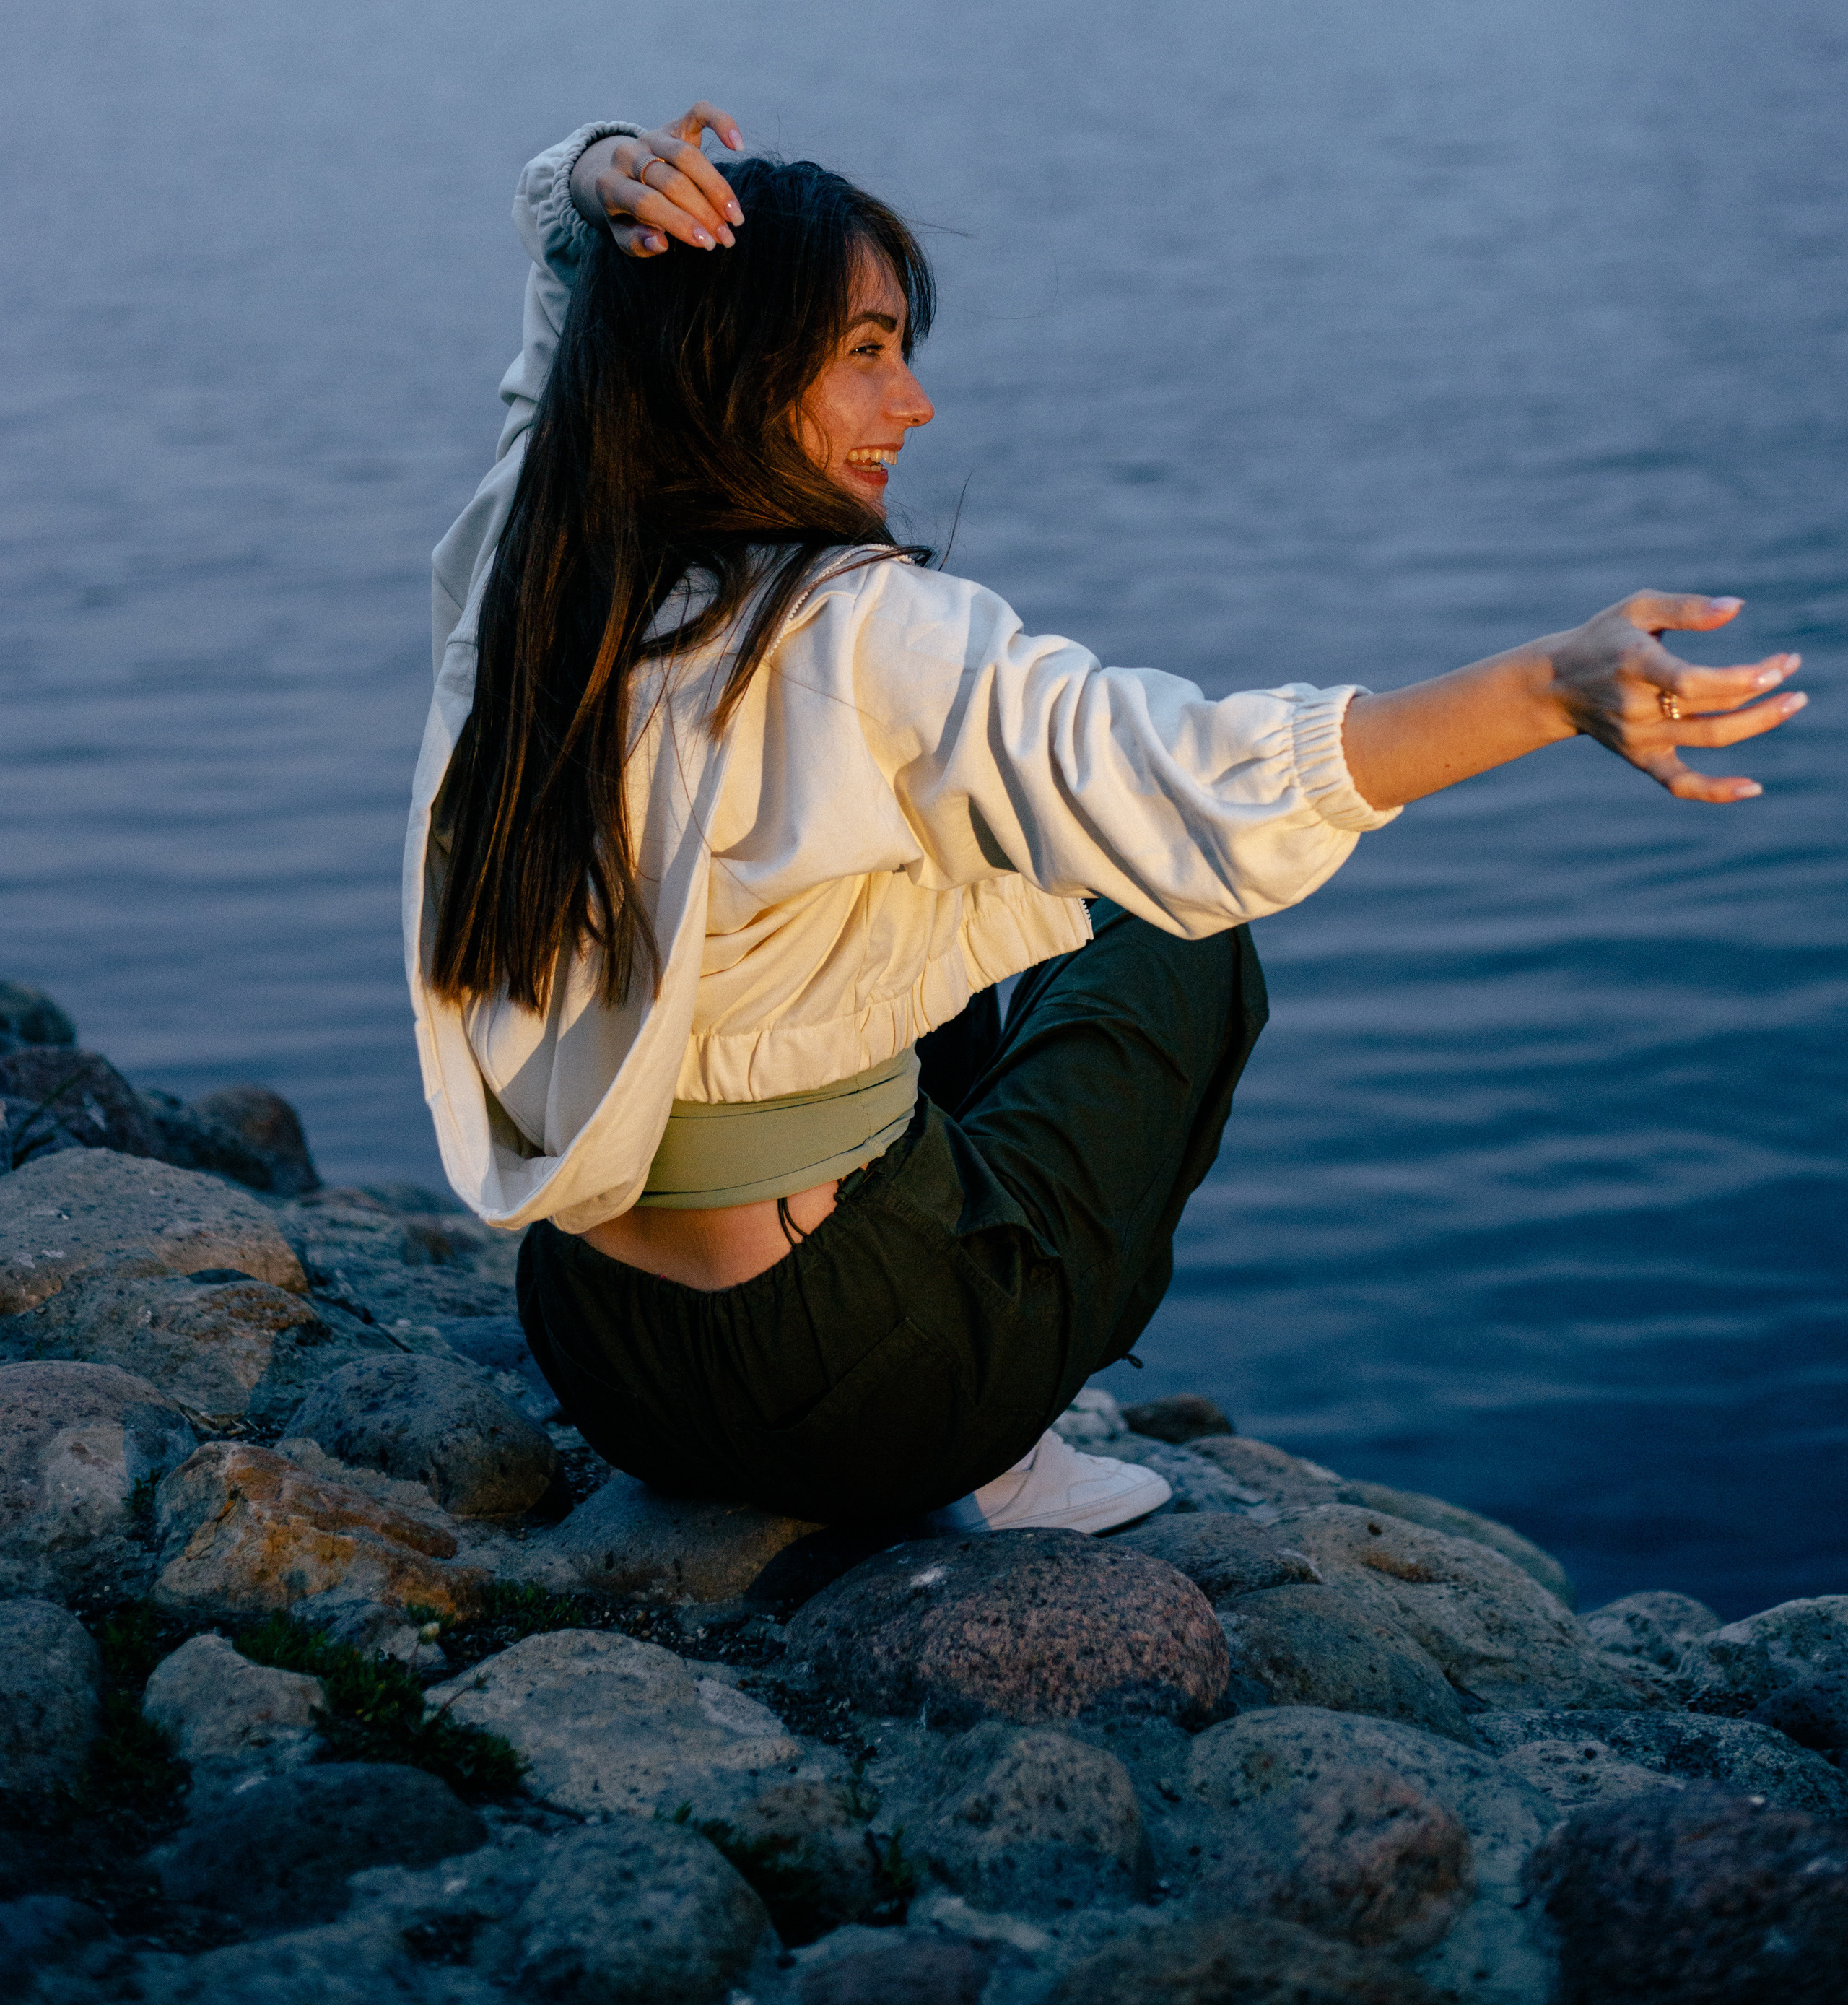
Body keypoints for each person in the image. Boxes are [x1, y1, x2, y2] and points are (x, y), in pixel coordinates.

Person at [405, 102, 1805, 1536]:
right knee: (1173, 932)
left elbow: (564, 347)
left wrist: (593, 175)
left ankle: (915, 1333)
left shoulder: (544, 559)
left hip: (599, 1345)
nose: (914, 403)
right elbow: (1198, 792)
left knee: (938, 888)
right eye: (867, 352)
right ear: (732, 366)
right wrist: (1545, 686)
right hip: (840, 1380)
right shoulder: (857, 631)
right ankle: (1000, 1449)